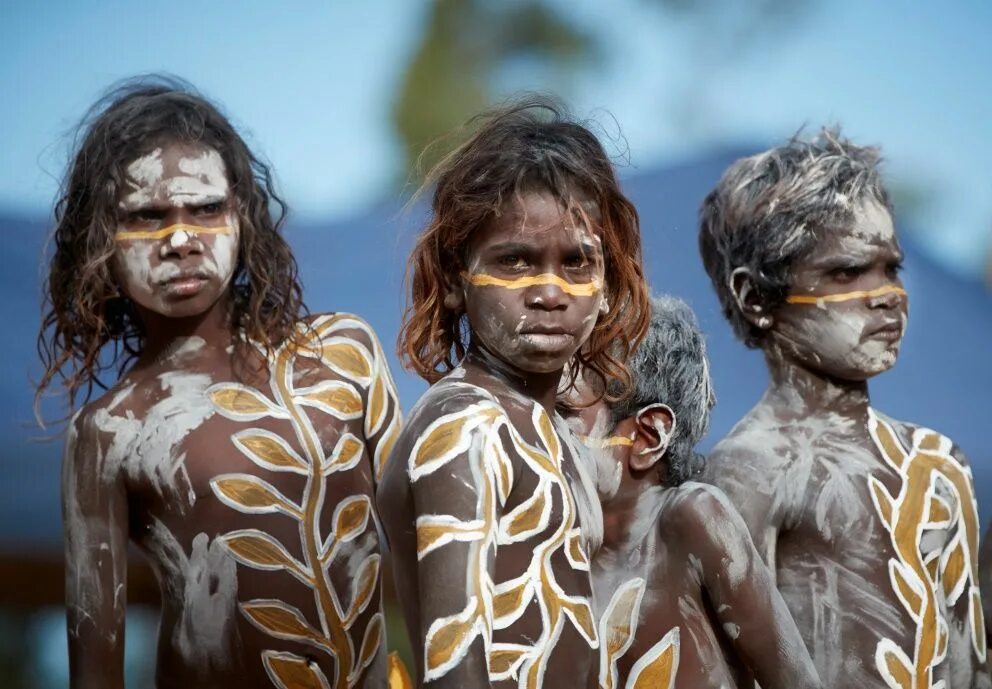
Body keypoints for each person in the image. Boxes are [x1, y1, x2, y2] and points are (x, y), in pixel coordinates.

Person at [37, 77, 401, 689]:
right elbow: (95, 669)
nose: (181, 240)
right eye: (148, 216)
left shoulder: (343, 353)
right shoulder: (109, 432)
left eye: (206, 209)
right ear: (100, 242)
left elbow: (425, 544)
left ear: (243, 216)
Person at [697, 129, 989, 688]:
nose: (885, 294)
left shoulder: (938, 461)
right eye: (847, 272)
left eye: (892, 268)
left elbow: (969, 662)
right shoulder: (753, 469)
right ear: (755, 298)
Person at [376, 97, 650, 689]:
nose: (549, 292)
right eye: (515, 261)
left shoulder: (546, 427)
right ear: (454, 281)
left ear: (608, 283)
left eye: (577, 263)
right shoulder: (467, 428)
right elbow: (455, 667)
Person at [564, 295, 820, 689]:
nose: (536, 429)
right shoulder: (561, 556)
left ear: (648, 436)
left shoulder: (691, 518)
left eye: (564, 414)